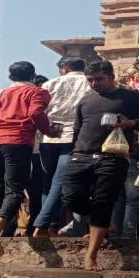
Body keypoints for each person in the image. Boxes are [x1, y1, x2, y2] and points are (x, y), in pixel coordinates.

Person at [61, 59, 139, 270]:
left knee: (104, 202)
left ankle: (91, 256)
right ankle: (102, 222)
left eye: (99, 79)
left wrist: (130, 123)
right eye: (90, 80)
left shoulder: (131, 97)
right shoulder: (85, 101)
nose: (94, 84)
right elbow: (78, 129)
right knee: (70, 196)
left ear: (112, 77)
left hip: (113, 157)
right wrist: (74, 152)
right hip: (81, 155)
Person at [0, 61, 55, 256]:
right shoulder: (37, 92)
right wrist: (49, 130)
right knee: (15, 190)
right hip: (18, 142)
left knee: (0, 186)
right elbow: (35, 113)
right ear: (33, 77)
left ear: (10, 77)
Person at [31, 57, 93, 237]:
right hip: (74, 137)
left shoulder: (49, 84)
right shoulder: (89, 84)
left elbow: (37, 111)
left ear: (64, 69)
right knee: (62, 183)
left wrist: (46, 130)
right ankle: (46, 224)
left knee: (49, 184)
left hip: (48, 138)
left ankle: (48, 224)